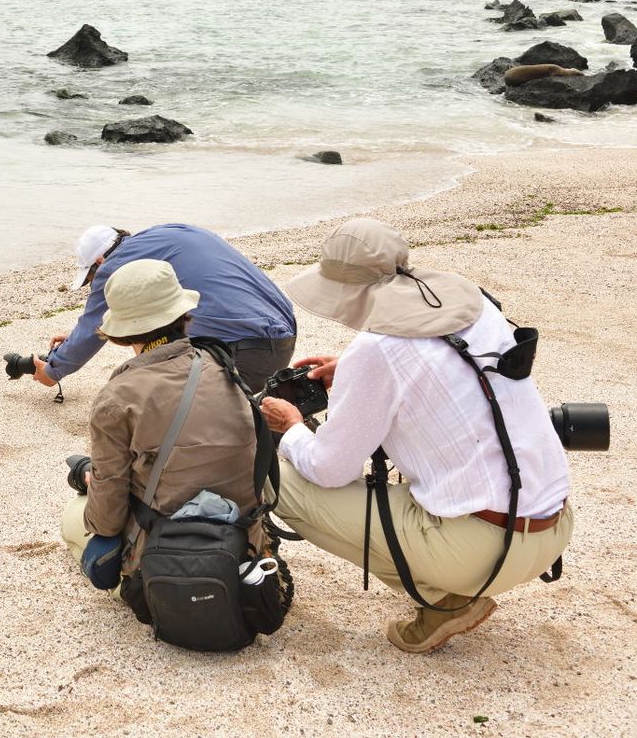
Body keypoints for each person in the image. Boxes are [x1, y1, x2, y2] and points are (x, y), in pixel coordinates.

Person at [259, 218, 573, 654]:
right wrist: (351, 374)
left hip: (482, 551)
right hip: (552, 527)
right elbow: (441, 372)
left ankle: (443, 599)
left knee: (276, 478)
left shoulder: (376, 351)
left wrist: (290, 425)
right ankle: (450, 594)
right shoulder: (473, 303)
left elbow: (328, 469)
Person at [59, 259, 270, 602]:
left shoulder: (118, 397)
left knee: (76, 519)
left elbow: (107, 519)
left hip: (167, 554)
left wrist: (92, 484)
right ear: (182, 313)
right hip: (244, 542)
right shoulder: (223, 366)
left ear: (122, 330)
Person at [34, 224, 297, 393]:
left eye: (91, 278)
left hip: (244, 354)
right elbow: (143, 313)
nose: (94, 284)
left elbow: (91, 330)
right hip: (284, 335)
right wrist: (76, 337)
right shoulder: (170, 232)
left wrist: (51, 371)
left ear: (99, 261)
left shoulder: (113, 267)